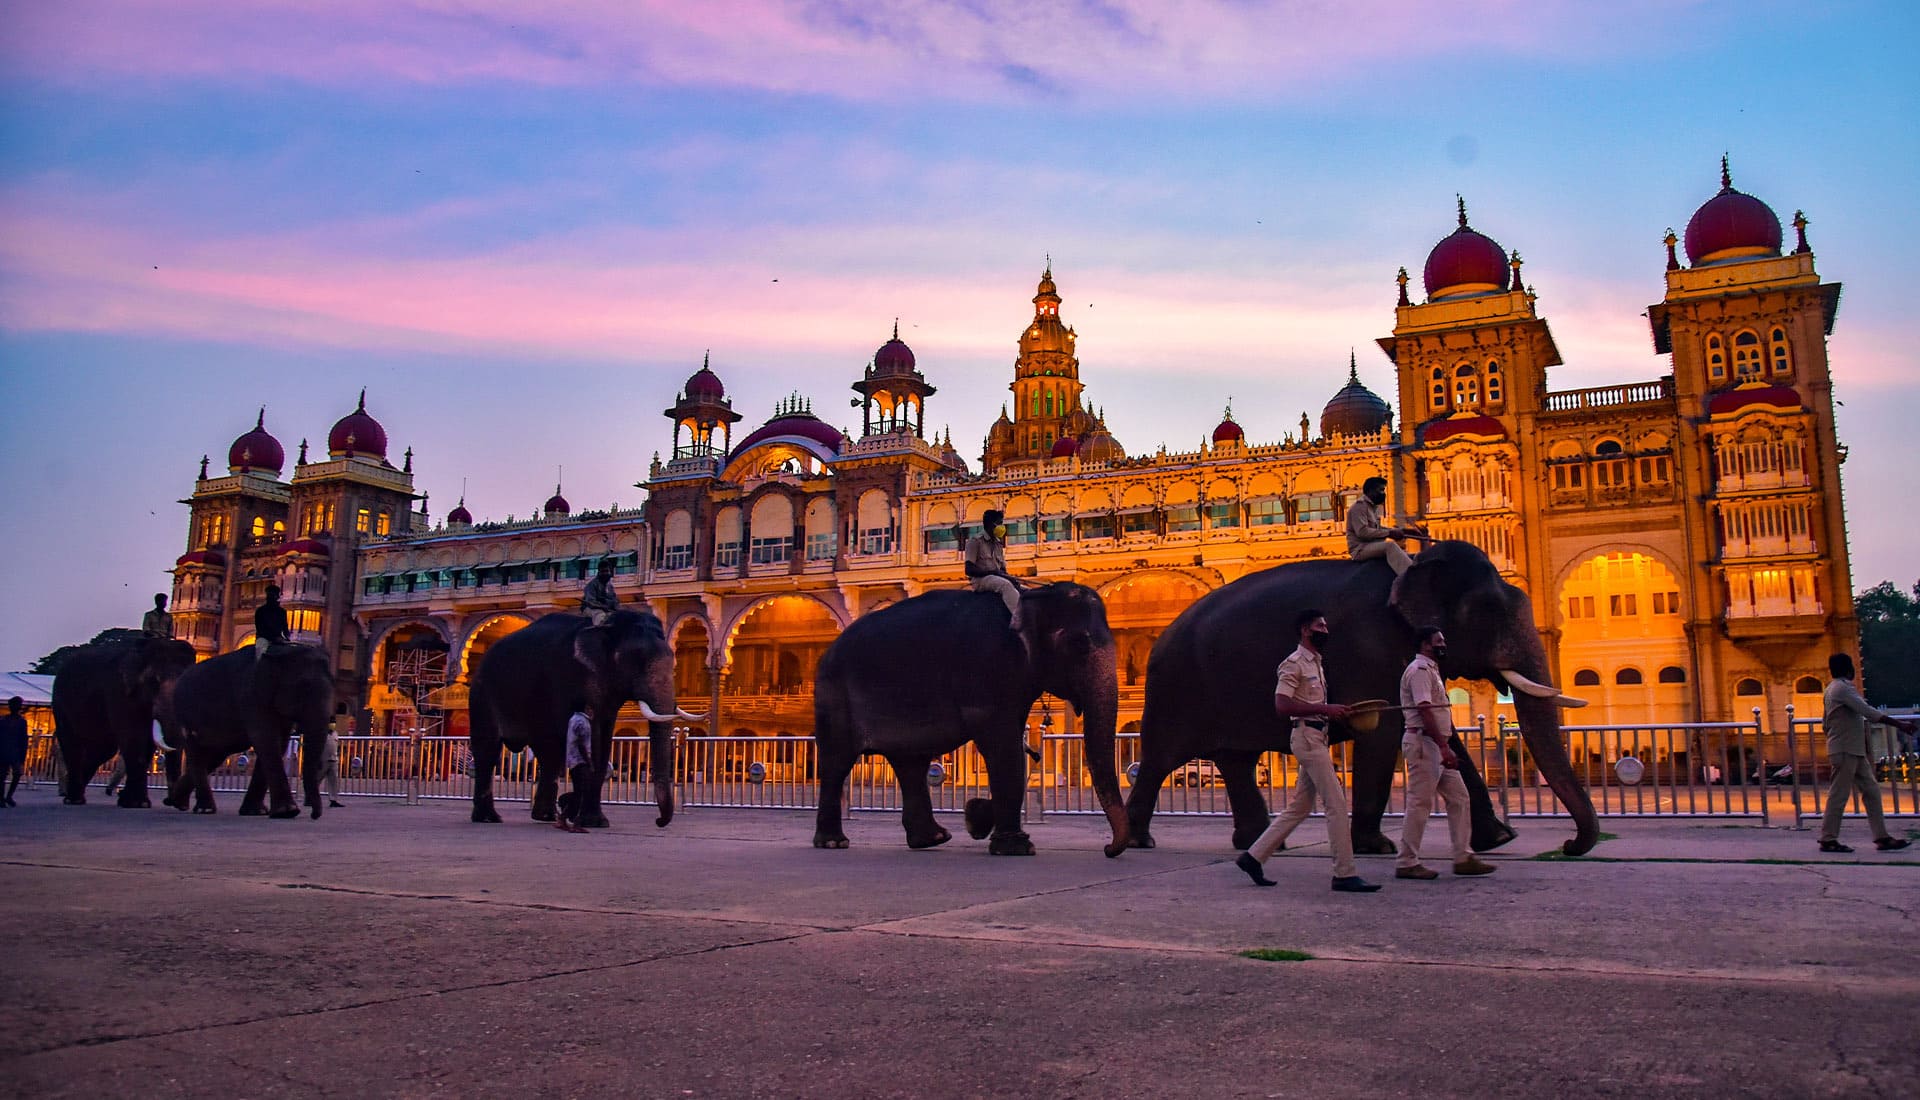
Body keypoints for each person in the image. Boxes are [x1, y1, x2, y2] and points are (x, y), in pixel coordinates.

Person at [1236, 609, 1380, 893]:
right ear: (1305, 630)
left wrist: (1334, 712)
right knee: (1336, 804)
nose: (1324, 630)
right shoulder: (1294, 664)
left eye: (1325, 625)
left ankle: (1253, 857)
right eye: (1319, 625)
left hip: (1317, 736)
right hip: (1306, 738)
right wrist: (1324, 708)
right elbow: (1282, 705)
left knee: (1299, 806)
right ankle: (1344, 873)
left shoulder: (1316, 664)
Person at [1395, 626, 1496, 880]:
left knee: (1460, 797)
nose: (1443, 645)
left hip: (1435, 744)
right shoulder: (1419, 671)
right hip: (1425, 743)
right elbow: (1425, 710)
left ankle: (1463, 856)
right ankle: (1407, 861)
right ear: (1425, 645)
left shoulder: (1431, 670)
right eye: (1439, 641)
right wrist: (1443, 747)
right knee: (1420, 802)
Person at [1816, 652, 1915, 853]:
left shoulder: (1831, 689)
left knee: (1871, 791)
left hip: (1851, 749)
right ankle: (1828, 839)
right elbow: (1868, 711)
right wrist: (1899, 724)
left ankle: (1882, 837)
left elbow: (1825, 723)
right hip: (1845, 749)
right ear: (1847, 668)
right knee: (1839, 795)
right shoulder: (1842, 688)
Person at [1346, 476, 1416, 576]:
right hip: (1360, 549)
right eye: (1381, 490)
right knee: (1390, 546)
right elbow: (1362, 532)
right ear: (1371, 490)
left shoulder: (1371, 508)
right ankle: (1411, 575)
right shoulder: (1359, 507)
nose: (1383, 493)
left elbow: (1377, 529)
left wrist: (1404, 531)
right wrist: (1390, 533)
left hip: (1370, 546)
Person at [965, 508, 1022, 632]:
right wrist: (992, 573)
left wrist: (1011, 578)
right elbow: (969, 569)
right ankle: (1020, 620)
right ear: (991, 524)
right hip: (980, 580)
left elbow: (1002, 569)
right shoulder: (975, 542)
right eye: (1000, 523)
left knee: (1022, 588)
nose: (1002, 527)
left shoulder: (997, 543)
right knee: (1006, 586)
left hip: (997, 577)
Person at [556, 704, 594, 833]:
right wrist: (589, 762)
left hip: (572, 760)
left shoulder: (573, 719)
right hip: (580, 761)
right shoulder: (583, 722)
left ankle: (563, 817)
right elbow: (582, 744)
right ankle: (576, 822)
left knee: (579, 792)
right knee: (582, 793)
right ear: (587, 708)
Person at [0, 697, 28, 807]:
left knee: (5, 776)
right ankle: (6, 797)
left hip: (8, 752)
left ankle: (5, 797)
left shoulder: (4, 720)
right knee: (7, 775)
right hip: (12, 752)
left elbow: (23, 739)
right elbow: (23, 740)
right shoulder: (20, 722)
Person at [321, 711, 348, 808]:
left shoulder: (335, 733)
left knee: (334, 781)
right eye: (331, 722)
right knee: (317, 779)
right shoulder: (321, 733)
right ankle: (311, 797)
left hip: (333, 760)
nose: (332, 724)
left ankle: (333, 799)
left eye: (333, 722)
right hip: (323, 760)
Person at [582, 559, 619, 626]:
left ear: (610, 572)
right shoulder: (591, 585)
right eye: (603, 571)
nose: (605, 573)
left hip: (607, 610)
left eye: (607, 571)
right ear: (599, 572)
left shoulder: (610, 586)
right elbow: (590, 602)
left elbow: (615, 602)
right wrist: (603, 606)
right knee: (599, 615)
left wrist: (607, 602)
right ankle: (599, 632)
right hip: (591, 609)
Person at [255, 584, 290, 654]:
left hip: (277, 639)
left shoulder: (281, 611)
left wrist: (285, 638)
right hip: (264, 639)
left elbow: (285, 627)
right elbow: (260, 628)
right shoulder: (261, 611)